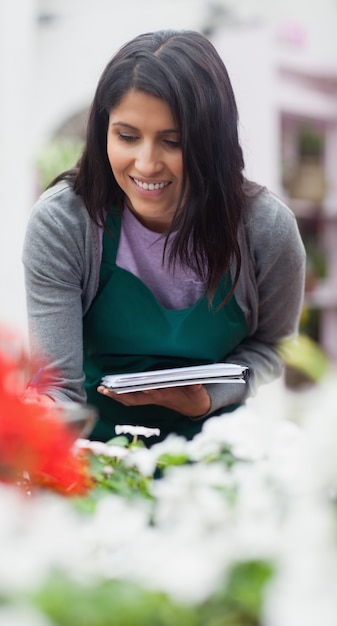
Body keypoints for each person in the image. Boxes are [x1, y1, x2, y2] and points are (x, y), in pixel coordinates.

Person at [22, 29, 306, 444]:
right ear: (103, 130)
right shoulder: (64, 223)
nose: (147, 163)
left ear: (213, 142)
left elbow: (273, 346)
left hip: (215, 464)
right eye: (127, 136)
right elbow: (58, 386)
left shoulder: (265, 229)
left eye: (172, 142)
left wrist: (209, 396)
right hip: (97, 460)